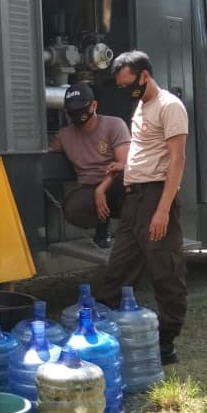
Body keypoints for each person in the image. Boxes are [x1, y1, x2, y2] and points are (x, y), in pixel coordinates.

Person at [98, 50, 189, 365]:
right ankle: (100, 336)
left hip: (155, 196)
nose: (126, 90)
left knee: (166, 272)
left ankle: (166, 345)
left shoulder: (169, 106)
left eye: (129, 84)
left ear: (145, 75)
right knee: (119, 268)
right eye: (121, 86)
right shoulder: (140, 107)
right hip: (134, 197)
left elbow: (177, 159)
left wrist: (163, 209)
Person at [49, 82, 130, 248]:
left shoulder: (114, 125)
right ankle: (102, 228)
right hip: (89, 187)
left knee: (132, 187)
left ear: (94, 105)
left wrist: (102, 189)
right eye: (71, 110)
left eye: (80, 109)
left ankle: (132, 232)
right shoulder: (64, 136)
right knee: (73, 209)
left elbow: (124, 164)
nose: (76, 114)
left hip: (115, 182)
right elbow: (47, 151)